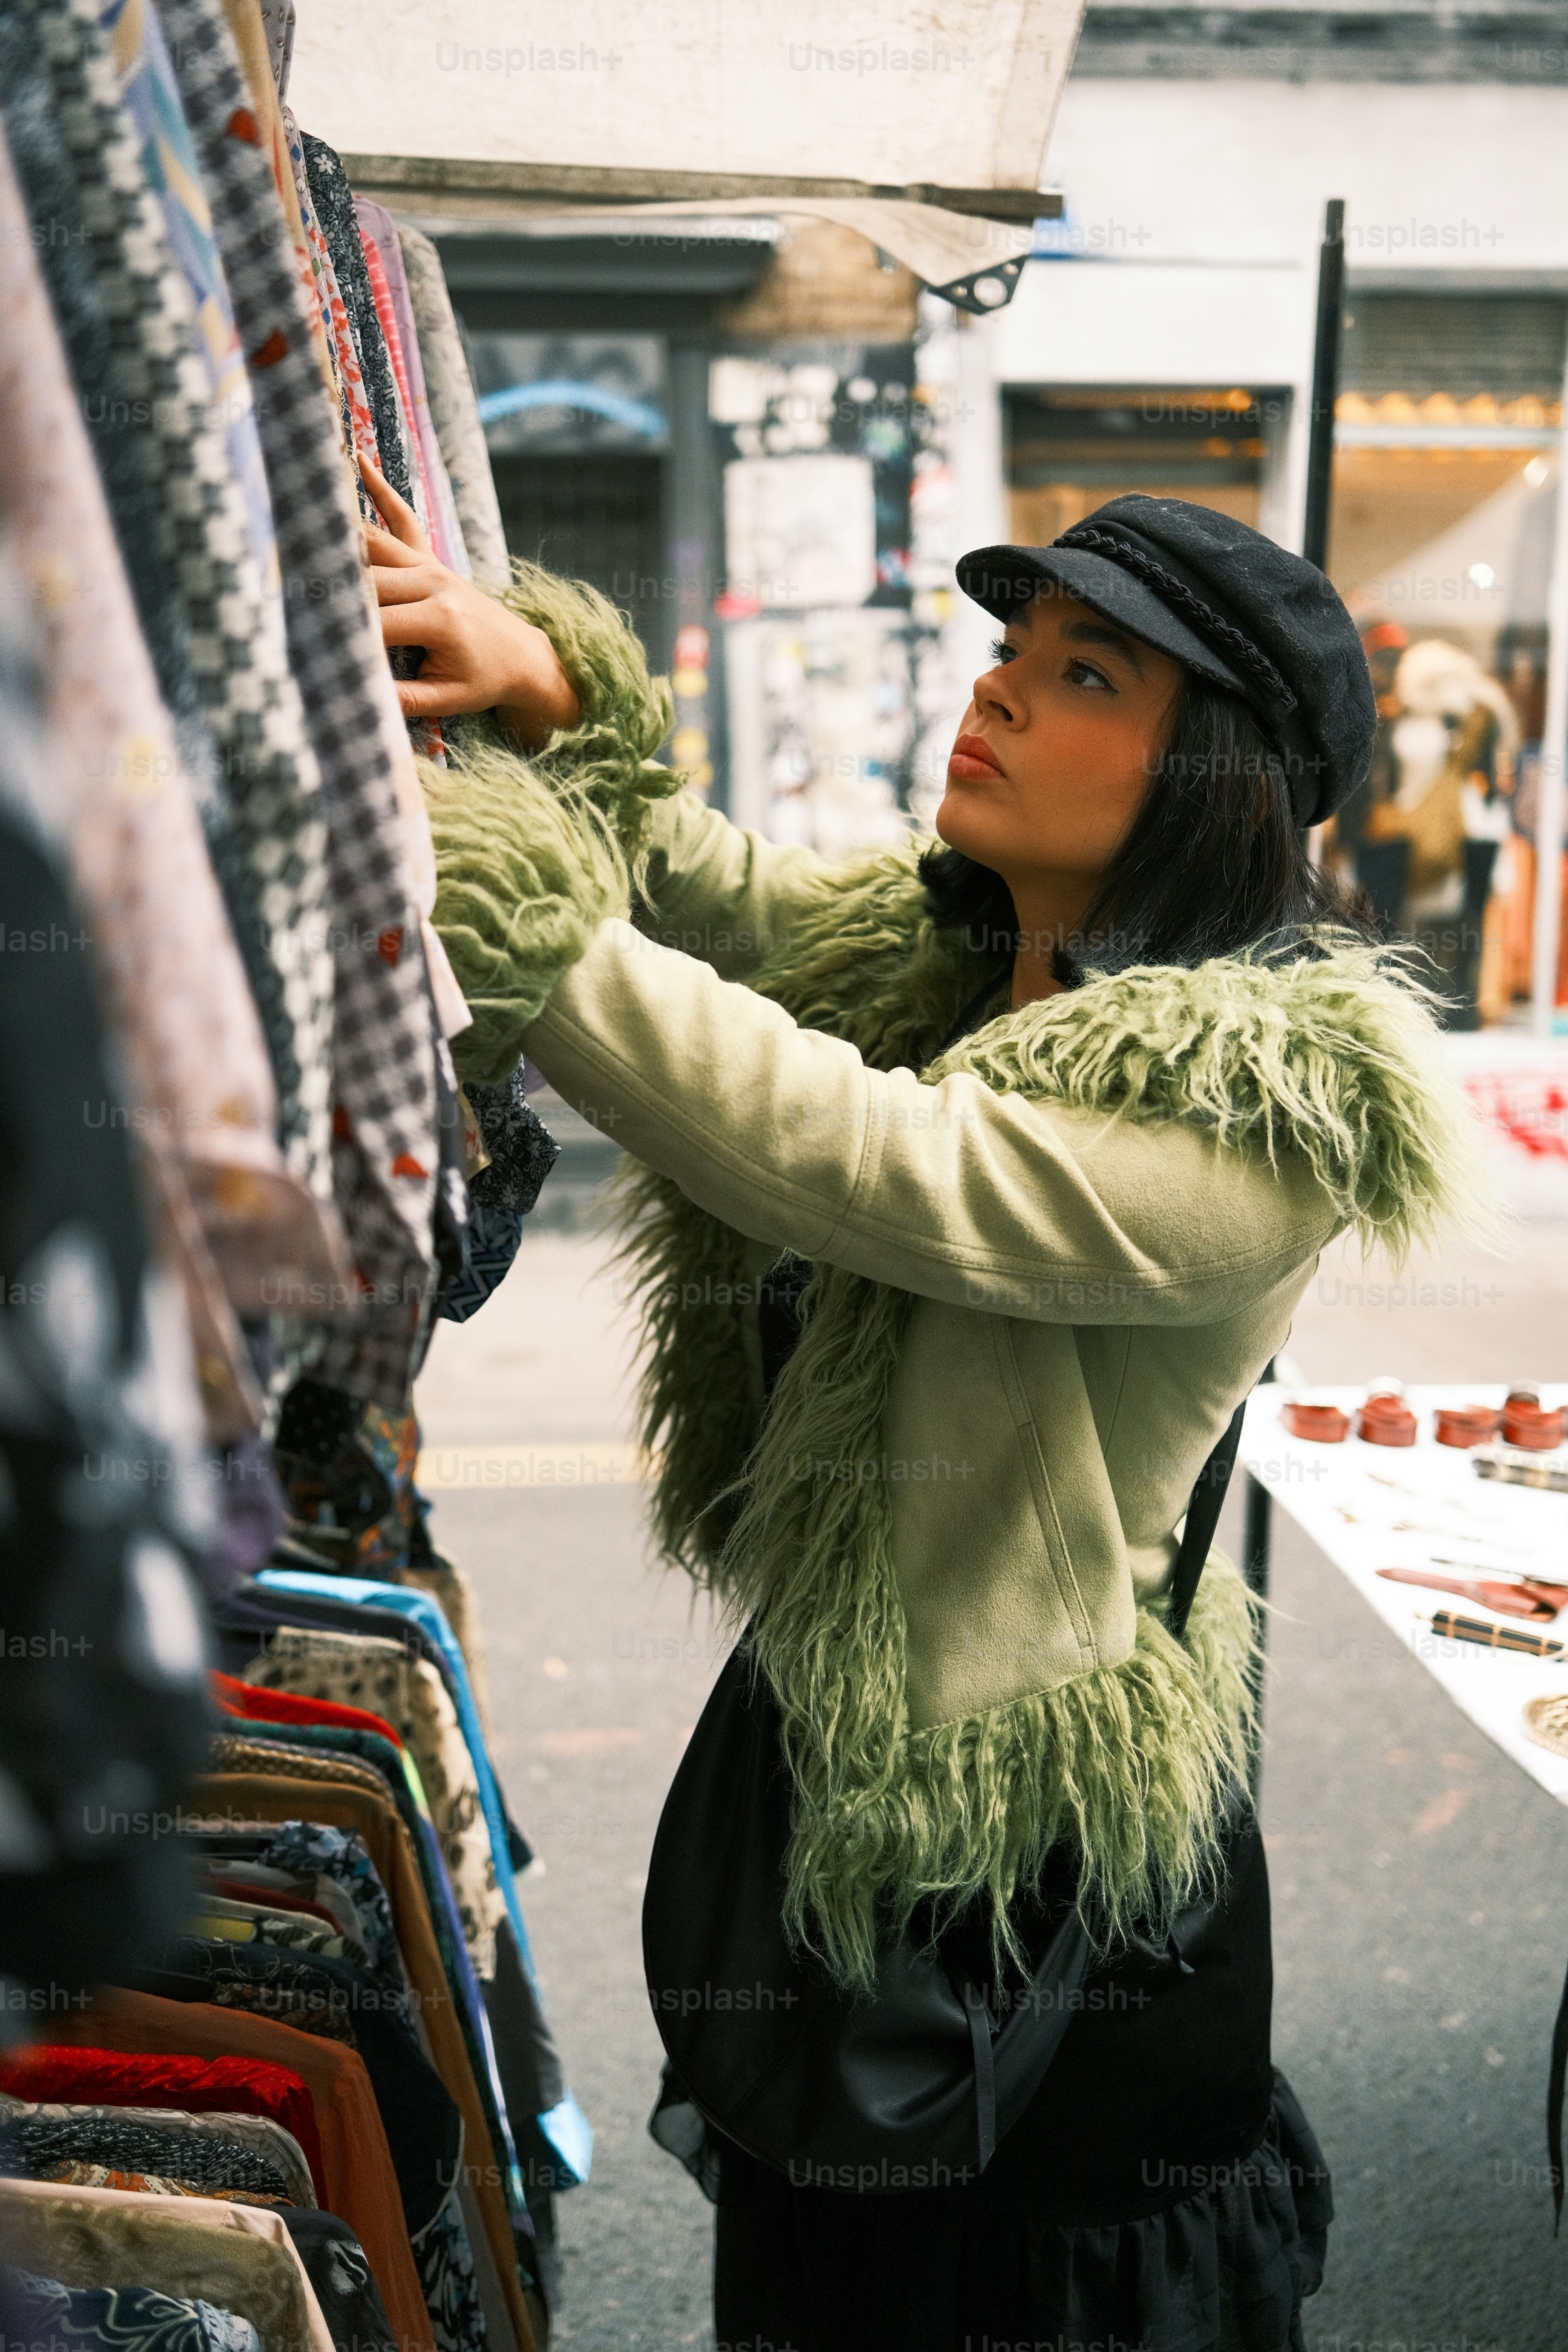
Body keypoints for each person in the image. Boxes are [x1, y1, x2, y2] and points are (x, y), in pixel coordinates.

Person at [363, 466, 1484, 2352]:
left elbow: (877, 1163)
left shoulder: (1258, 1113)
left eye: (1088, 678)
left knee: (992, 2294)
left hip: (1039, 1871)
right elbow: (734, 901)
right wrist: (557, 709)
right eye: (1012, 649)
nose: (1000, 692)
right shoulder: (964, 953)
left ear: (1207, 773)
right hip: (855, 1764)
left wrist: (534, 931)